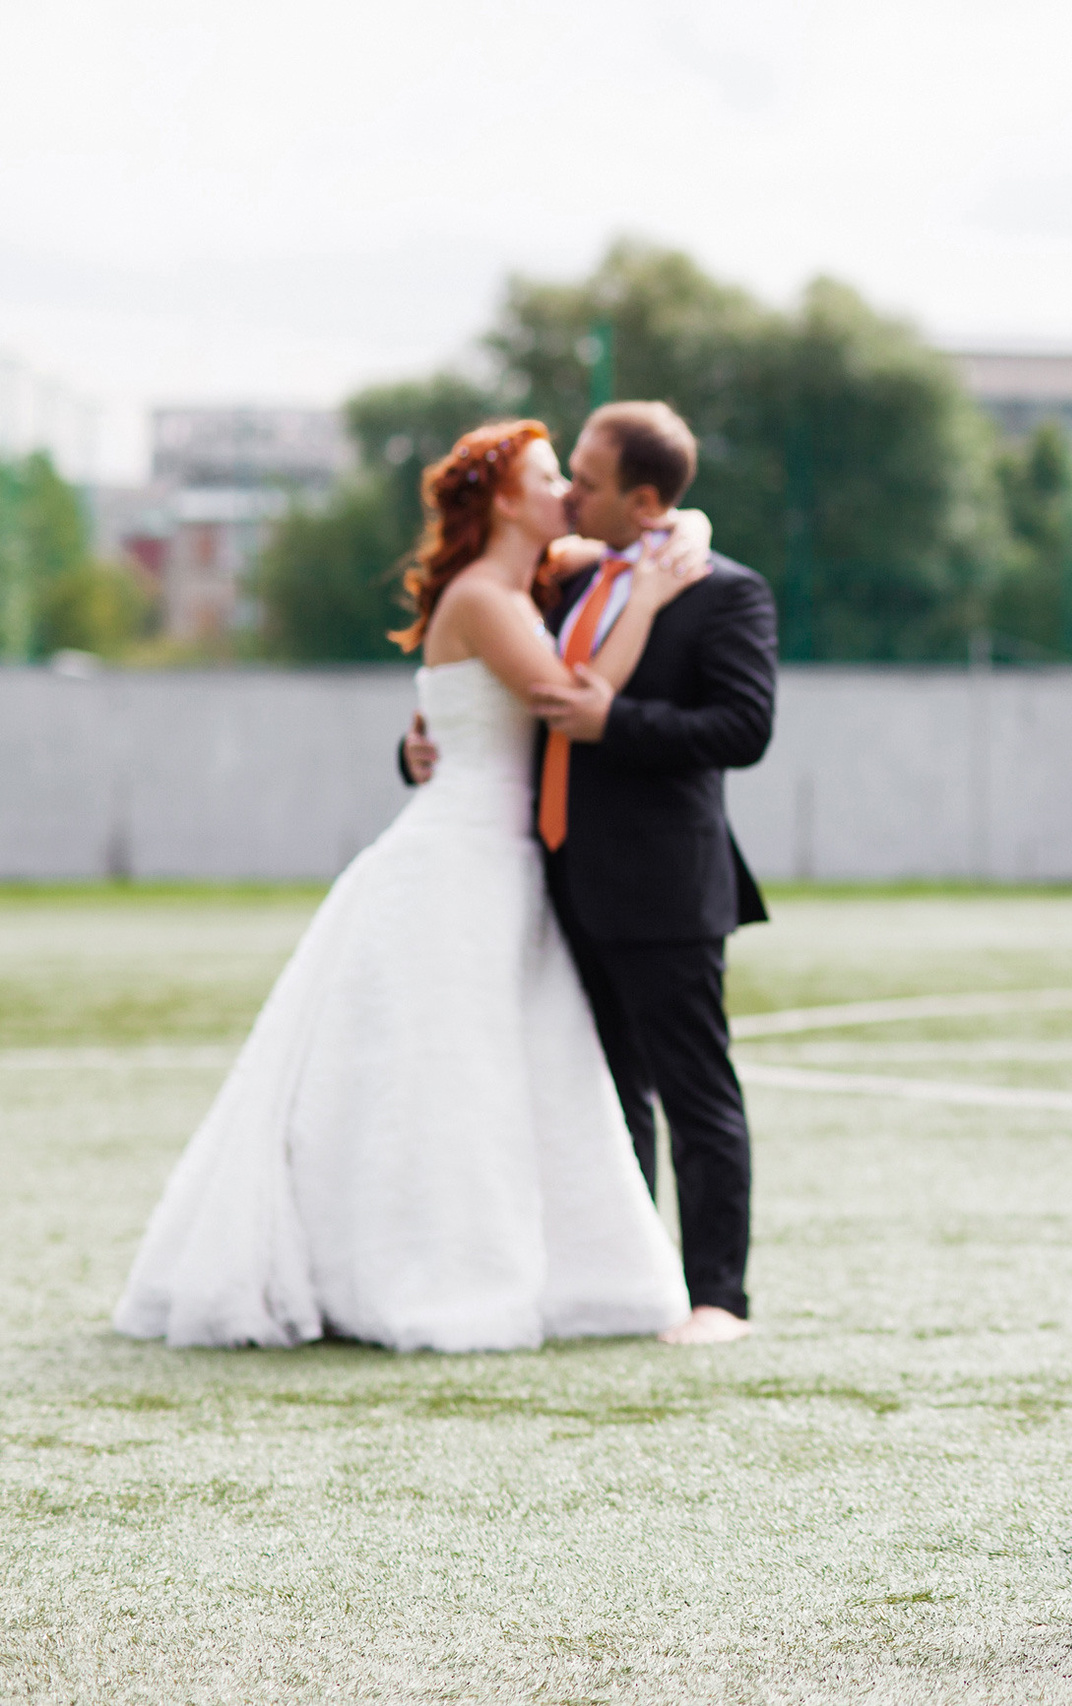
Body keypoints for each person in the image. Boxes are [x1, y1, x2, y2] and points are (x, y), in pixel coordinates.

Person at [115, 421, 701, 1352]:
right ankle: (407, 1272)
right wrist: (655, 596)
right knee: (440, 1075)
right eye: (552, 478)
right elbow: (568, 697)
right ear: (507, 500)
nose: (569, 495)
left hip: (502, 861)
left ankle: (568, 1276)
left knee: (515, 1072)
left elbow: (642, 535)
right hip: (457, 862)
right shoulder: (486, 598)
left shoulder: (519, 583)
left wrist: (681, 538)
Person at [401, 401, 777, 1347]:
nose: (570, 492)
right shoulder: (558, 580)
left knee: (694, 1092)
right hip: (553, 881)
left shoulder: (725, 592)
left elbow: (744, 730)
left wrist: (617, 724)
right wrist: (414, 741)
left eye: (591, 481)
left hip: (664, 887)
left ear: (644, 499)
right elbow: (487, 691)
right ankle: (629, 1283)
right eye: (562, 475)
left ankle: (717, 1299)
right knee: (602, 1093)